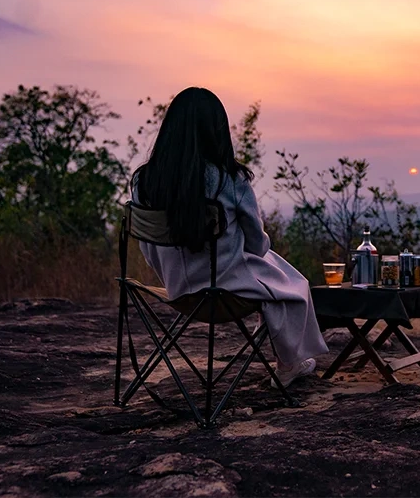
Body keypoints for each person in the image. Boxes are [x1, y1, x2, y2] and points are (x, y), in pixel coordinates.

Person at [132, 87, 328, 388]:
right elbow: (257, 245)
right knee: (295, 284)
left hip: (178, 290)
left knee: (278, 276)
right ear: (217, 131)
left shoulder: (144, 181)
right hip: (225, 291)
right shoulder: (227, 180)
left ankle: (289, 359)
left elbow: (148, 247)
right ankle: (289, 362)